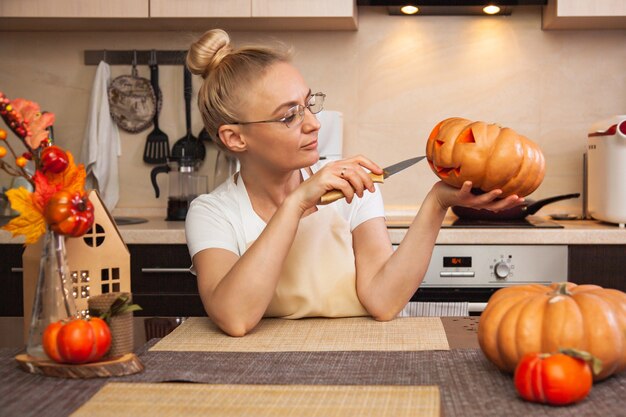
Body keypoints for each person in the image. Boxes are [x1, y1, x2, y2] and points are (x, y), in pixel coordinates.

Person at [185, 29, 524, 337]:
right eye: (290, 115)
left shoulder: (349, 184)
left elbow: (383, 301)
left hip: (359, 353)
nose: (314, 124)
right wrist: (296, 203)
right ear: (235, 138)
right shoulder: (212, 213)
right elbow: (235, 318)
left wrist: (437, 203)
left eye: (309, 104)